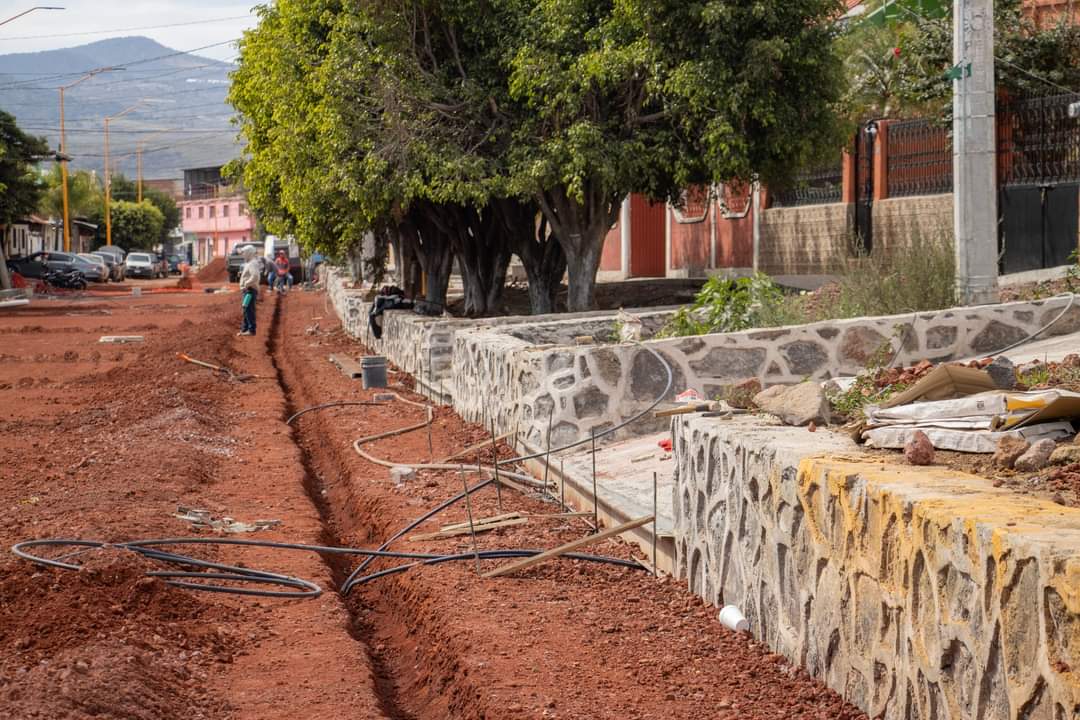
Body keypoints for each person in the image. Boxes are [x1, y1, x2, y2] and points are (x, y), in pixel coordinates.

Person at [238, 245, 260, 336]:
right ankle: (245, 329)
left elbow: (255, 276)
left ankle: (251, 330)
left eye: (244, 253)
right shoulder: (250, 263)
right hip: (248, 290)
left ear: (248, 253)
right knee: (246, 308)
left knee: (248, 309)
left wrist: (246, 283)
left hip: (250, 290)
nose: (243, 255)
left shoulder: (252, 263)